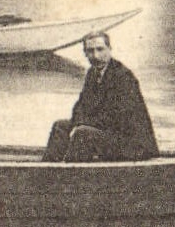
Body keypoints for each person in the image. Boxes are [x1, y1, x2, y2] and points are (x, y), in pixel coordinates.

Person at [43, 31, 158, 162]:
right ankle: (48, 170)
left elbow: (117, 118)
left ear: (109, 49)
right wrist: (77, 123)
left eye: (100, 49)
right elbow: (80, 107)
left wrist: (82, 125)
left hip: (131, 145)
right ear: (85, 53)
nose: (96, 56)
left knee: (83, 133)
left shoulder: (123, 76)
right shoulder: (92, 73)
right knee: (60, 126)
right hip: (107, 135)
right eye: (90, 51)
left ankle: (70, 176)